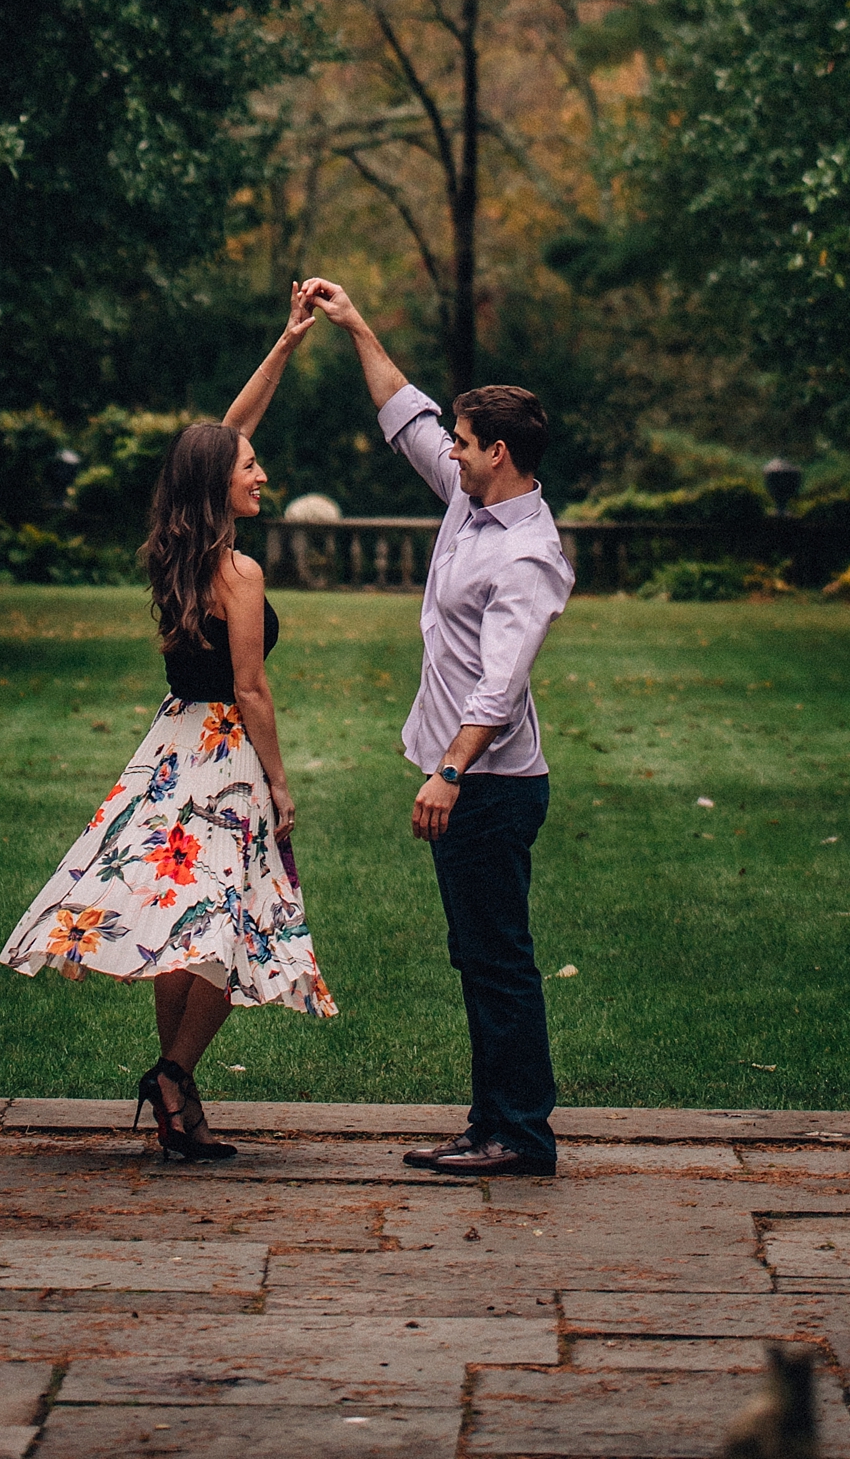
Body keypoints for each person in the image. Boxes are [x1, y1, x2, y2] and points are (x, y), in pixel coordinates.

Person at [0, 286, 335, 1155]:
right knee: (227, 922)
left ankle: (172, 1096)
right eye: (250, 468)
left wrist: (285, 345)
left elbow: (218, 438)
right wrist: (281, 780)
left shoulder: (175, 548)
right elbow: (253, 690)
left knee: (185, 911)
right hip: (224, 750)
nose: (262, 474)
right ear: (219, 483)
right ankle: (174, 1075)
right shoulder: (242, 573)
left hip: (171, 744)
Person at [303, 279, 572, 1178]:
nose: (447, 454)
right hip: (474, 784)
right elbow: (406, 413)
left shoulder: (526, 555)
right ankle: (490, 1122)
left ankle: (520, 1136)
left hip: (490, 789)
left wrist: (447, 773)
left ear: (496, 452)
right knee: (481, 958)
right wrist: (354, 326)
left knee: (498, 963)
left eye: (463, 445)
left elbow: (498, 691)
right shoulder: (471, 499)